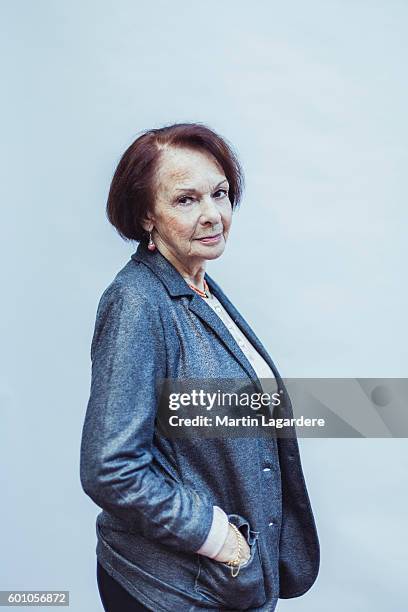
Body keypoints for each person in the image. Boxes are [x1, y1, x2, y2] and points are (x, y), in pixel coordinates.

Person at [80, 123, 320, 612]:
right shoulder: (137, 303)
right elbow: (110, 469)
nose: (213, 215)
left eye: (220, 194)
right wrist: (220, 540)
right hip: (172, 588)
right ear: (147, 214)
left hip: (225, 586)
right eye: (186, 200)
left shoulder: (198, 287)